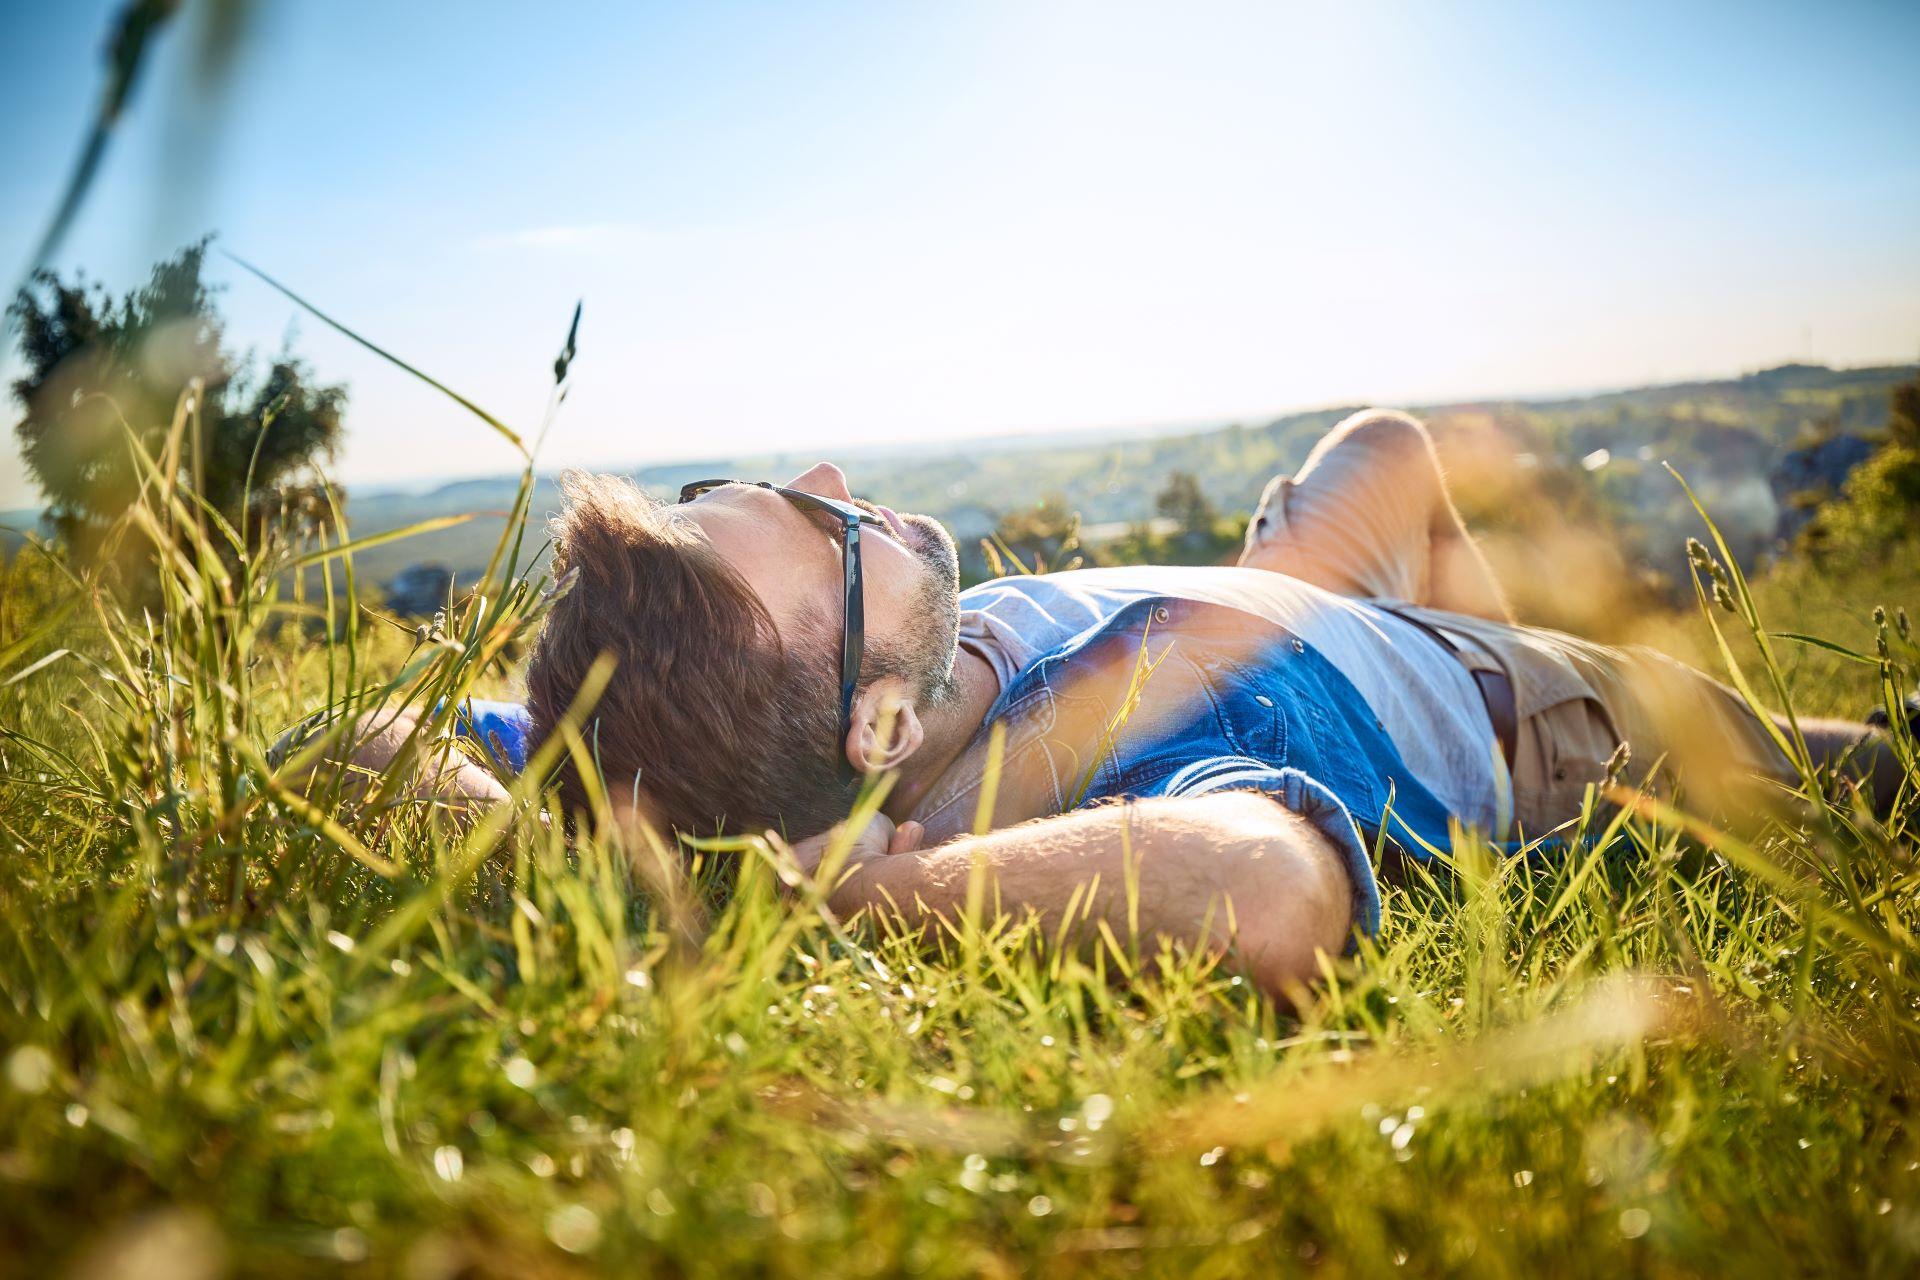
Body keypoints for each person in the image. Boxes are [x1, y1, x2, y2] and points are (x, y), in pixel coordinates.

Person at [343, 410, 1901, 997]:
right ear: (875, 734)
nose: (829, 478)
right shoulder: (1075, 796)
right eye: (820, 532)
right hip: (1515, 711)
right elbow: (1265, 897)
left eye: (743, 490)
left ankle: (1436, 613)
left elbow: (371, 741)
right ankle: (1496, 663)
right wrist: (839, 903)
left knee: (1394, 444)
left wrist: (578, 851)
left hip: (1297, 590)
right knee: (1864, 773)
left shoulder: (664, 738)